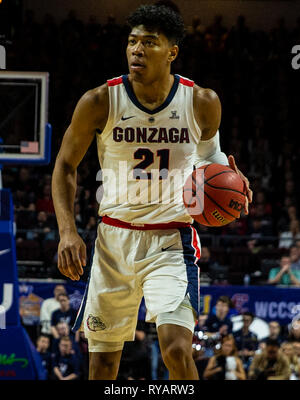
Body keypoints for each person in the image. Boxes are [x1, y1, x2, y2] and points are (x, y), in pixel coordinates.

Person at [51, 3, 252, 380]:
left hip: (170, 240)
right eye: (132, 42)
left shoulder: (201, 102)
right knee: (103, 365)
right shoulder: (99, 101)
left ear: (172, 51)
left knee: (177, 350)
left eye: (148, 42)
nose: (136, 50)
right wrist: (67, 231)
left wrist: (233, 182)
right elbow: (64, 166)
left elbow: (210, 160)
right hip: (114, 238)